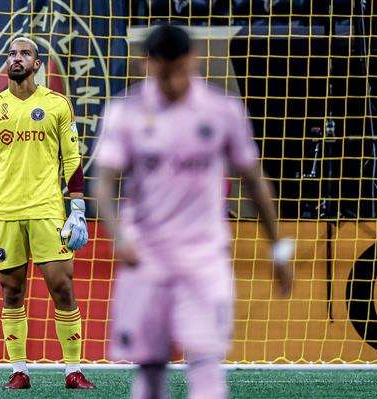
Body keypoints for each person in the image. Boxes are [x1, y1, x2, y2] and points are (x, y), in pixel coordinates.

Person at [95, 24, 294, 399]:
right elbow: (103, 183)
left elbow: (254, 181)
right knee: (150, 371)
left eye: (181, 71)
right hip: (146, 258)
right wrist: (118, 235)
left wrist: (278, 248)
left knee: (206, 365)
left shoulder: (222, 111)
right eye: (164, 73)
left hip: (204, 258)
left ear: (194, 60)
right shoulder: (125, 112)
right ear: (147, 66)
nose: (173, 82)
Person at [0, 37, 94, 390]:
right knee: (11, 291)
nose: (17, 58)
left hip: (47, 210)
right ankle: (19, 370)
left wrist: (78, 208)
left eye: (25, 53)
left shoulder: (57, 105)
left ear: (37, 64)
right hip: (5, 212)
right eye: (12, 53)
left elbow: (72, 160)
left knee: (62, 287)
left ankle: (73, 370)